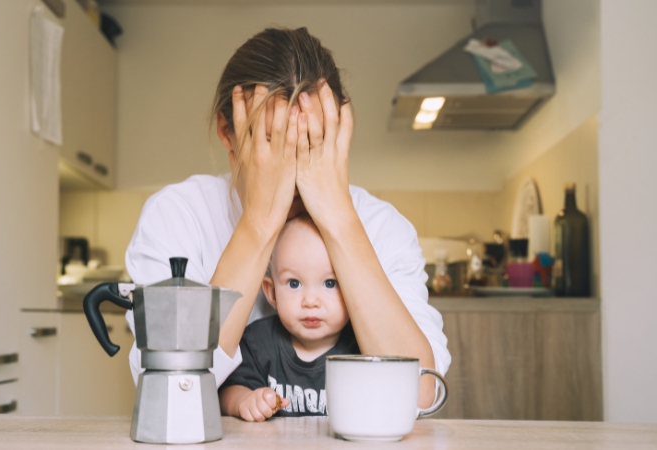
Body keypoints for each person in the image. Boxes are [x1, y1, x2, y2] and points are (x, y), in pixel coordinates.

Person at [125, 27, 450, 409]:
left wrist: (338, 220)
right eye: (271, 142)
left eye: (312, 140)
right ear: (226, 132)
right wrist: (259, 223)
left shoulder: (381, 226)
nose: (293, 165)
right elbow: (169, 392)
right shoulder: (176, 217)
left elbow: (420, 393)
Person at [219, 213, 358, 421]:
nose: (310, 301)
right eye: (294, 283)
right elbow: (225, 391)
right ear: (271, 292)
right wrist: (244, 400)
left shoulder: (361, 347)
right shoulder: (258, 342)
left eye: (330, 283)